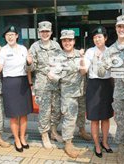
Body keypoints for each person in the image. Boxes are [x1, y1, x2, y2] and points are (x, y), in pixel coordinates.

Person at [97, 15, 124, 163]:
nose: (122, 29)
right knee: (121, 125)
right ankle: (121, 152)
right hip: (119, 94)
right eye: (119, 26)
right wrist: (104, 62)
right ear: (116, 28)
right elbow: (100, 72)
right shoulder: (110, 50)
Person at [0, 25, 33, 153]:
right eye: (7, 35)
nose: (10, 37)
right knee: (14, 115)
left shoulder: (23, 49)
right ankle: (16, 139)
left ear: (17, 36)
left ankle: (22, 138)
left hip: (23, 83)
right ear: (5, 37)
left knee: (24, 114)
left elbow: (28, 68)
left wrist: (30, 82)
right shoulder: (3, 51)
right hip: (9, 83)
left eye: (12, 34)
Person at [48, 30, 85, 158]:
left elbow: (85, 71)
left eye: (70, 40)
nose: (67, 43)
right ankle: (68, 143)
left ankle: (82, 131)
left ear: (74, 41)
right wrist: (52, 75)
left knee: (81, 113)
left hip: (81, 91)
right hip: (68, 92)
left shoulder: (80, 54)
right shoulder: (58, 57)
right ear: (61, 42)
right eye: (64, 40)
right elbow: (53, 75)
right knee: (69, 117)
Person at [80, 26, 114, 158]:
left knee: (105, 117)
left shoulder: (111, 51)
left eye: (100, 37)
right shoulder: (89, 52)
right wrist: (83, 58)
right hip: (94, 85)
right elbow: (83, 71)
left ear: (105, 38)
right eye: (94, 37)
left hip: (107, 85)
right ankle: (97, 145)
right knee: (94, 118)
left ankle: (105, 142)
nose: (97, 39)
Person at [28, 21, 63, 148]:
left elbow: (61, 63)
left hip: (55, 83)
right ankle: (44, 134)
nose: (45, 34)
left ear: (51, 32)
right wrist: (29, 62)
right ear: (39, 33)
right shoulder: (34, 47)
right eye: (42, 31)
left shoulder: (56, 46)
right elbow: (31, 68)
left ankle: (53, 131)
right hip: (42, 83)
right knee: (44, 111)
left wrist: (56, 72)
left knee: (57, 109)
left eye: (47, 31)